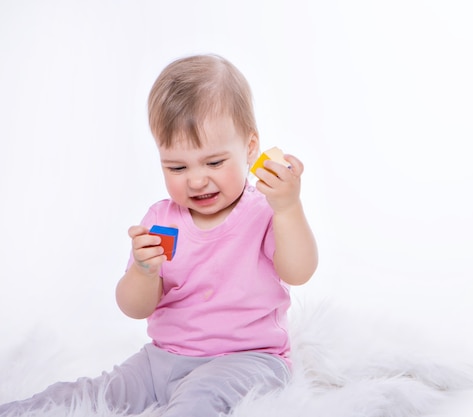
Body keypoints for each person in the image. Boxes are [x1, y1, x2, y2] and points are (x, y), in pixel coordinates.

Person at [0, 54, 318, 417]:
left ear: (249, 149)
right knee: (93, 393)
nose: (196, 180)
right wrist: (142, 272)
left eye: (214, 162)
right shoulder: (162, 221)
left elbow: (299, 271)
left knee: (197, 398)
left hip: (250, 361)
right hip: (162, 360)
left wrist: (289, 208)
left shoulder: (265, 210)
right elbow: (135, 308)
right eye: (177, 167)